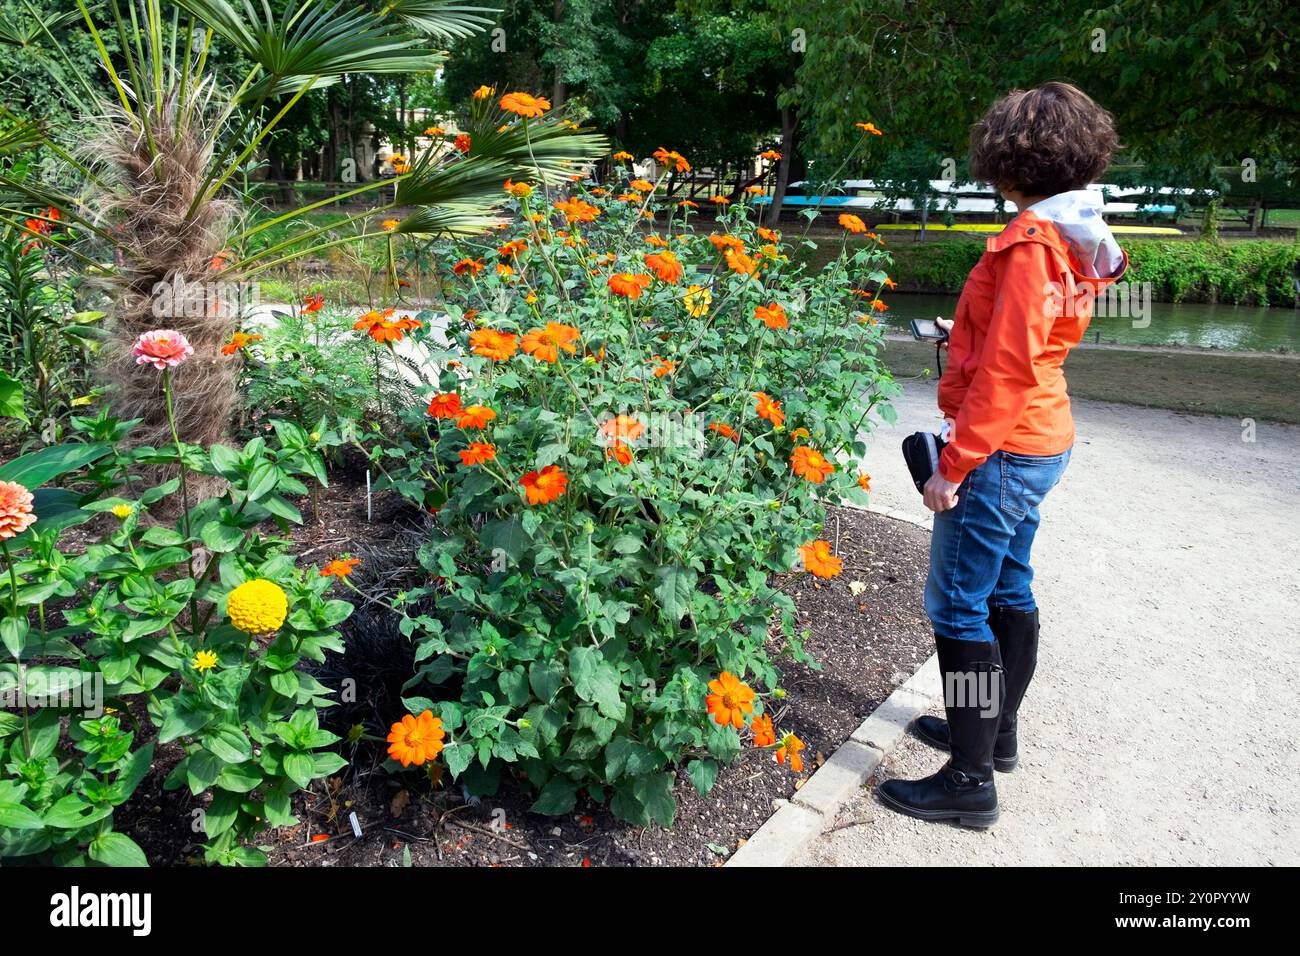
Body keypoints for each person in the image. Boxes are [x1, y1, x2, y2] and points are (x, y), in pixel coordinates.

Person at [878, 82, 1127, 827]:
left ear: (1009, 159)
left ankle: (969, 778)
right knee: (1007, 589)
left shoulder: (1028, 247)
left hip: (1003, 449)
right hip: (1042, 439)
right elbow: (1030, 351)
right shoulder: (1080, 235)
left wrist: (953, 467)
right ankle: (995, 732)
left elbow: (1009, 371)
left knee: (958, 605)